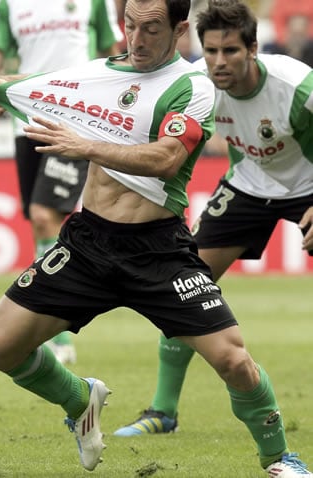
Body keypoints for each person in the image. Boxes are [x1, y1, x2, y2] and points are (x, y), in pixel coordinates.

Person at [0, 0, 312, 474]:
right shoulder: (98, 74)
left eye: (151, 29)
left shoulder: (193, 86)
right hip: (89, 244)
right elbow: (6, 87)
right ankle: (79, 401)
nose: (136, 39)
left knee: (235, 362)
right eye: (129, 25)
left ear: (179, 29)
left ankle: (280, 458)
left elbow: (166, 158)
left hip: (160, 251)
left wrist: (85, 145)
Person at [113, 0, 313, 442]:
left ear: (254, 49)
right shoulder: (196, 84)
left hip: (310, 187)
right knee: (185, 284)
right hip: (247, 185)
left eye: (231, 52)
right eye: (212, 51)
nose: (220, 62)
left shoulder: (298, 86)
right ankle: (163, 411)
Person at [0, 0, 125, 365]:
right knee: (41, 223)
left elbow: (113, 50)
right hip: (25, 119)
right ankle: (53, 317)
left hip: (75, 118)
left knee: (45, 214)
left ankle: (57, 333)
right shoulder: (8, 4)